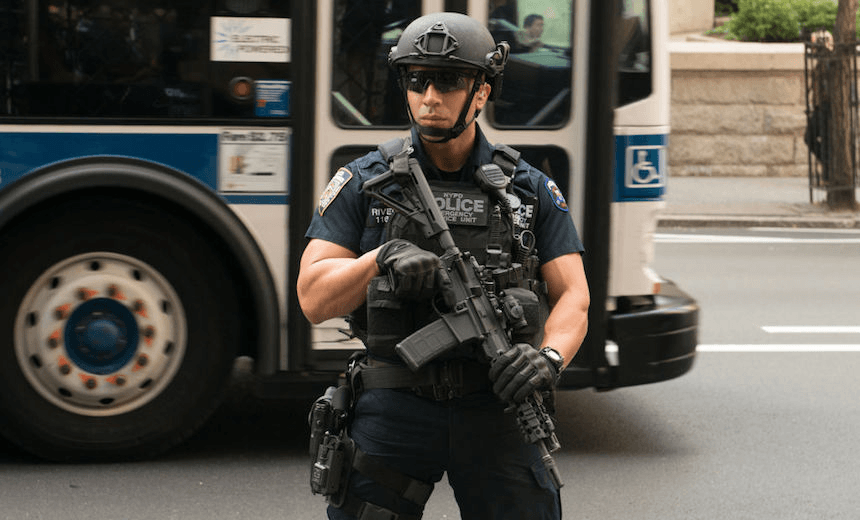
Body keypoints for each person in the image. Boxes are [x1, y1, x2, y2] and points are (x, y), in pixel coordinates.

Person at [298, 12, 589, 520]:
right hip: (395, 405)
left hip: (497, 404)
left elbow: (574, 296)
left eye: (449, 80)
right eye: (417, 80)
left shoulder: (527, 189)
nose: (429, 96)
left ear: (482, 92)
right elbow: (313, 298)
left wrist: (547, 360)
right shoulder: (365, 182)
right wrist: (380, 258)